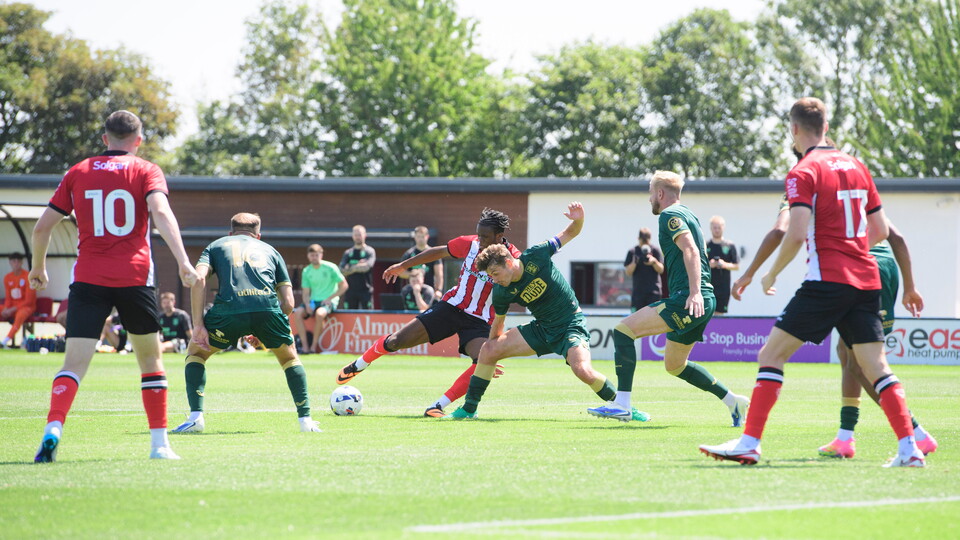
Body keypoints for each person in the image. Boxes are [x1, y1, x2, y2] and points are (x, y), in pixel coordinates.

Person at [700, 97, 926, 467]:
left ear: (794, 129)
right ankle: (909, 448)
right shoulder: (857, 165)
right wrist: (853, 248)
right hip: (867, 281)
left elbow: (794, 233)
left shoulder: (803, 171)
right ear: (826, 127)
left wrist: (771, 273)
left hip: (827, 281)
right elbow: (881, 230)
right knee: (876, 366)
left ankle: (749, 442)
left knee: (770, 355)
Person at [731, 151, 937, 460]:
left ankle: (914, 434)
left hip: (845, 271)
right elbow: (891, 233)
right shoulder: (853, 178)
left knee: (798, 356)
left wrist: (754, 273)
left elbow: (782, 230)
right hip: (874, 271)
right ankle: (858, 438)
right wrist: (909, 285)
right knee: (857, 358)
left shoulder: (805, 177)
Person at [29, 110, 198, 462]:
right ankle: (159, 445)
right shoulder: (146, 170)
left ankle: (53, 428)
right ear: (138, 140)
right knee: (151, 362)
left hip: (88, 278)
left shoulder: (79, 171)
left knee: (73, 364)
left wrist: (39, 268)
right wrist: (183, 261)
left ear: (105, 139)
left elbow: (42, 227)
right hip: (134, 278)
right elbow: (161, 212)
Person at [587, 172, 750, 424]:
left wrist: (694, 292)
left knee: (622, 331)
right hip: (704, 299)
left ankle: (622, 403)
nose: (650, 198)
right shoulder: (689, 214)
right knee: (675, 365)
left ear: (660, 194)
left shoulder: (669, 215)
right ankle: (732, 401)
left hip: (688, 297)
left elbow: (692, 250)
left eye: (651, 193)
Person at [442, 202, 621, 420]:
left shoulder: (537, 254)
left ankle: (623, 405)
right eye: (490, 276)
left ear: (509, 261)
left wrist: (578, 219)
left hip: (569, 325)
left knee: (581, 370)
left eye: (496, 273)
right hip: (542, 329)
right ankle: (468, 410)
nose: (494, 280)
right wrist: (491, 353)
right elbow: (498, 326)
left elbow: (570, 232)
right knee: (488, 350)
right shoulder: (501, 291)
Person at [336, 208, 516, 417]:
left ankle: (438, 406)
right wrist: (402, 265)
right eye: (478, 234)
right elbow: (437, 252)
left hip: (479, 320)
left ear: (499, 237)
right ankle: (359, 364)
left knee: (484, 361)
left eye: (485, 237)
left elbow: (523, 274)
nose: (480, 240)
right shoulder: (470, 244)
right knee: (395, 341)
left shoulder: (512, 257)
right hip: (450, 307)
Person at [171, 213, 321, 434]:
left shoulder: (216, 246)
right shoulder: (271, 250)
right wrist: (265, 329)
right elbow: (288, 302)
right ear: (258, 235)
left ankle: (196, 418)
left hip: (228, 311)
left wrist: (198, 325)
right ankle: (306, 421)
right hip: (267, 310)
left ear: (230, 233)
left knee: (196, 354)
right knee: (289, 358)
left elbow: (199, 279)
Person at [292, 244, 348, 354]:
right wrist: (307, 304)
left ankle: (314, 347)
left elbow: (344, 285)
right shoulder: (307, 271)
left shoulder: (331, 267)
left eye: (316, 255)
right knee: (298, 312)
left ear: (321, 255)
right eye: (312, 255)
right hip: (314, 301)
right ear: (308, 256)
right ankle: (305, 347)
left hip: (329, 301)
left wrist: (330, 298)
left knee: (320, 314)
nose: (314, 257)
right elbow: (306, 292)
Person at [624, 228, 663, 312]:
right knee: (636, 319)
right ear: (638, 239)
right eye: (643, 241)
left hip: (654, 293)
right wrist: (634, 263)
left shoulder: (655, 250)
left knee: (653, 318)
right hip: (638, 293)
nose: (645, 244)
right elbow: (628, 272)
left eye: (646, 241)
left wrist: (654, 261)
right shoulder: (633, 252)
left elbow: (661, 270)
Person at [2, 253, 37, 348]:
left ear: (22, 262)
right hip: (12, 307)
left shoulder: (28, 277)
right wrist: (6, 308)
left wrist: (12, 309)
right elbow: (8, 298)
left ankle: (4, 341)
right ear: (10, 263)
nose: (16, 263)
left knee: (21, 315)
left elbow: (29, 301)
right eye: (14, 261)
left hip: (26, 307)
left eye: (18, 261)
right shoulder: (7, 277)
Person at [706, 216, 739, 314]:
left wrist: (724, 264)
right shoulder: (705, 245)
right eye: (714, 228)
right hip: (707, 286)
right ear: (711, 228)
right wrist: (709, 265)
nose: (716, 230)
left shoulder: (729, 245)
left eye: (719, 228)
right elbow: (699, 265)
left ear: (723, 228)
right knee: (706, 315)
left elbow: (736, 266)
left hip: (723, 288)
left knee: (720, 315)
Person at [339, 225, 376, 309]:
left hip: (366, 290)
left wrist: (350, 267)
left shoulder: (369, 251)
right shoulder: (348, 253)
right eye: (355, 235)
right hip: (350, 291)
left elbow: (367, 267)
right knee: (349, 316)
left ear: (365, 235)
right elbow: (341, 270)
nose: (357, 237)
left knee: (368, 316)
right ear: (352, 236)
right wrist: (359, 266)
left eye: (359, 235)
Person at [401, 226, 444, 291]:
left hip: (429, 291)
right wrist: (413, 274)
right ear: (414, 237)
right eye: (418, 236)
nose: (420, 239)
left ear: (427, 237)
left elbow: (439, 275)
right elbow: (401, 273)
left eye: (423, 236)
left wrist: (438, 290)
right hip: (412, 291)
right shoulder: (408, 254)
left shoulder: (433, 253)